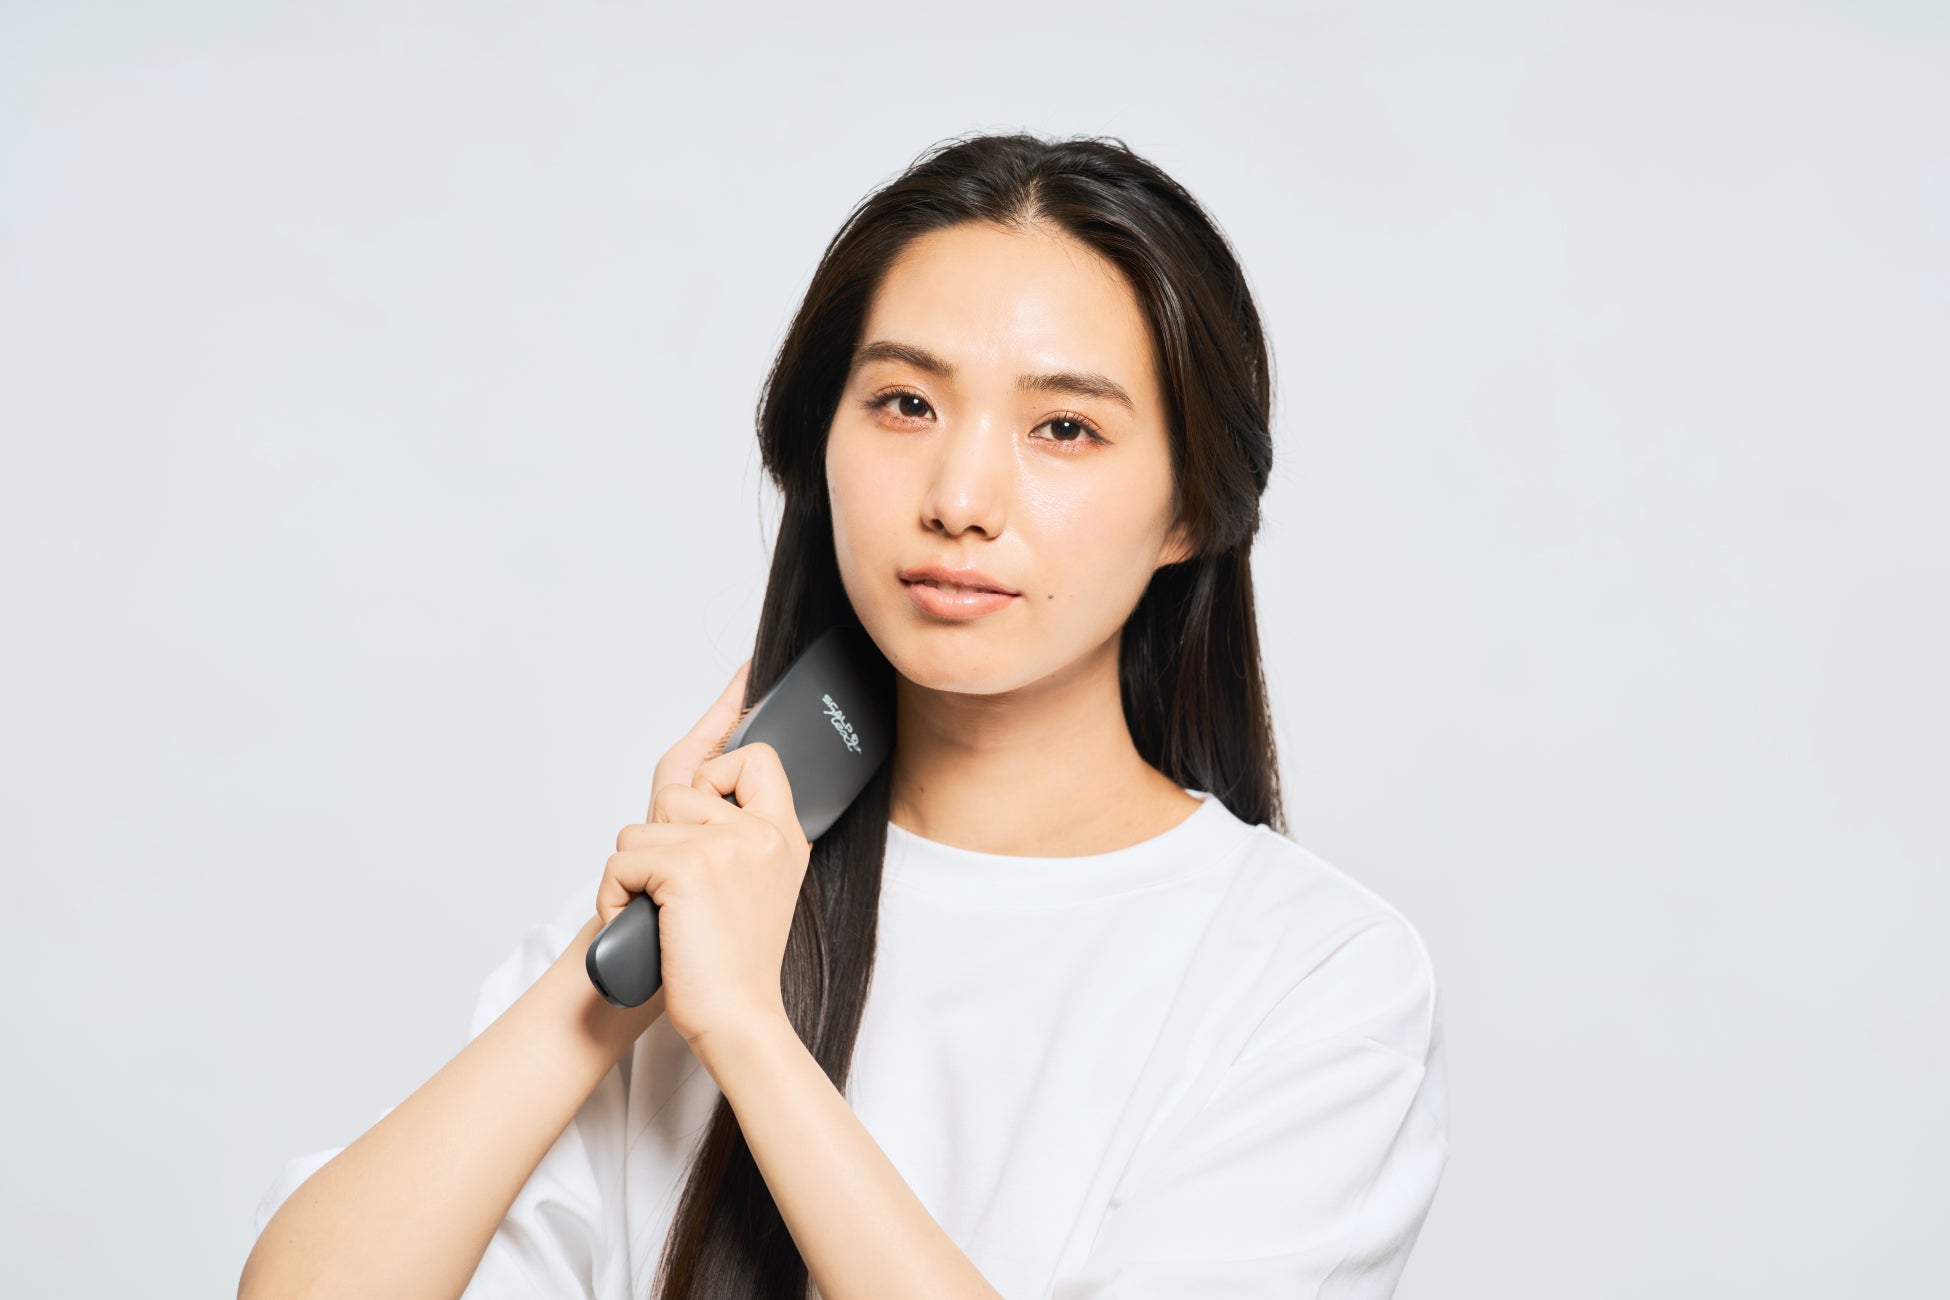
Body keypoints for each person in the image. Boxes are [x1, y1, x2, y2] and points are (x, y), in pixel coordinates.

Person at [240, 131, 1449, 1300]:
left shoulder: (1314, 973)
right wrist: (611, 981)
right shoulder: (695, 907)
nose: (960, 498)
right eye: (906, 404)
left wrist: (750, 1037)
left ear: (1191, 506)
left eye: (1064, 428)